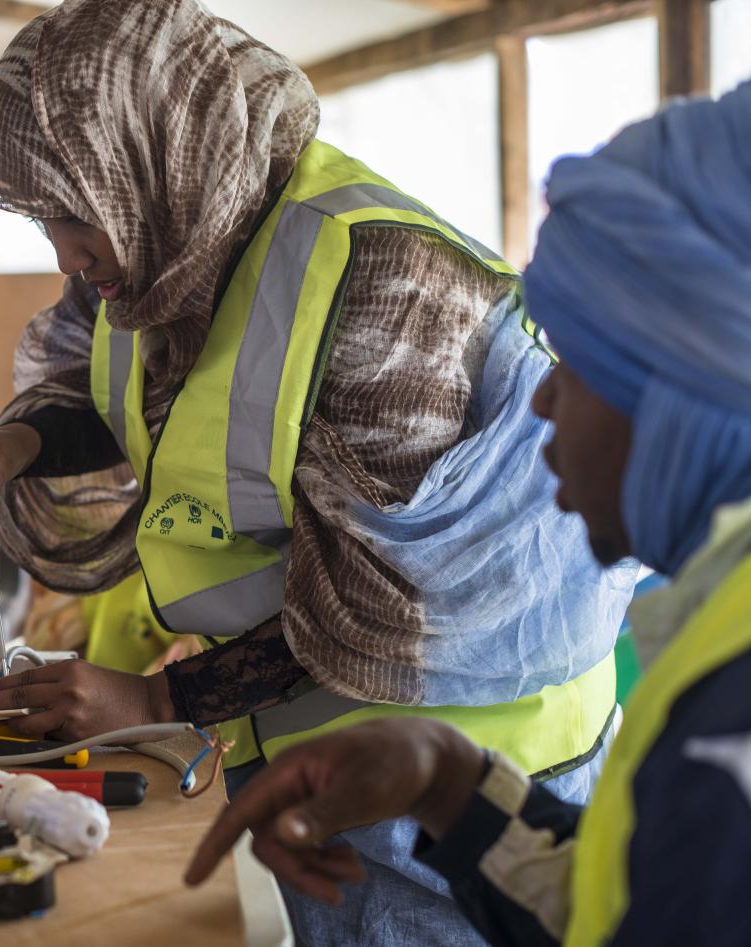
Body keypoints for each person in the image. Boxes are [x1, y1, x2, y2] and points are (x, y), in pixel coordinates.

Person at [0, 1, 634, 943]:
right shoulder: (164, 241)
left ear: (159, 152)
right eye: (42, 217)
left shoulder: (381, 284)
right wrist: (25, 442)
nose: (64, 251)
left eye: (75, 213)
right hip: (317, 743)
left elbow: (383, 603)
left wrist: (157, 701)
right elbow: (140, 394)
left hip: (466, 778)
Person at [185, 83, 751, 947]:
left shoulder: (731, 727)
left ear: (686, 385)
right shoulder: (719, 633)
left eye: (578, 365)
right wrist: (445, 779)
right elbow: (624, 909)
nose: (543, 403)